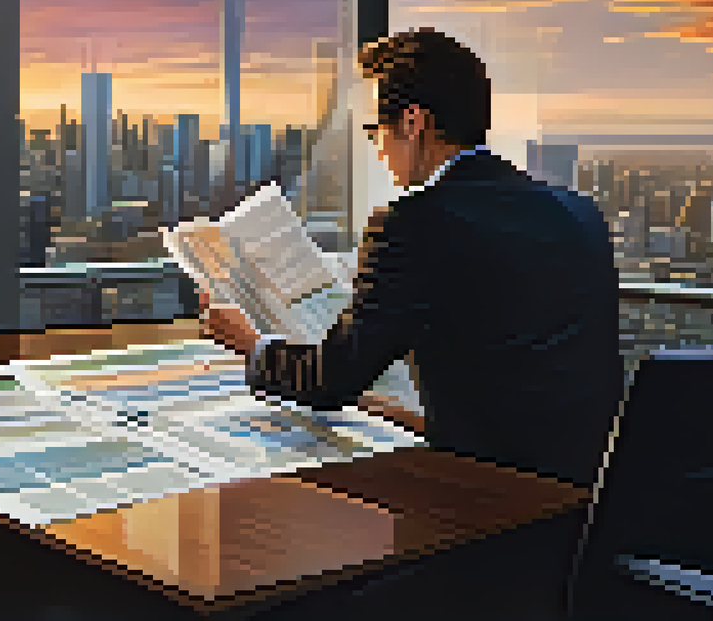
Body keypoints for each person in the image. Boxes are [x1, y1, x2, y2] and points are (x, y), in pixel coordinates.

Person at [201, 27, 625, 487]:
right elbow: (522, 368)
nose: (377, 149)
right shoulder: (578, 210)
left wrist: (253, 345)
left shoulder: (414, 223)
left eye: (374, 131)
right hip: (589, 493)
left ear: (412, 123)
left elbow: (331, 379)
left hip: (491, 495)